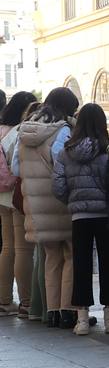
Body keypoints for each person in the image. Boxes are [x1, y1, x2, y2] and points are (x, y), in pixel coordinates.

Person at [53, 102, 109, 336]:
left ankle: (82, 318)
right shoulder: (108, 152)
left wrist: (74, 201)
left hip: (79, 216)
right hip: (104, 214)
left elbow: (58, 186)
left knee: (81, 264)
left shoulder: (66, 152)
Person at [16, 87, 78, 329]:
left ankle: (51, 312)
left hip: (35, 204)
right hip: (59, 202)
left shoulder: (25, 130)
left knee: (51, 257)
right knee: (70, 255)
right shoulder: (61, 130)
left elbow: (17, 167)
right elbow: (62, 161)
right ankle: (67, 311)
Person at [0, 91, 37, 316]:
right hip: (17, 195)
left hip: (1, 196)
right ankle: (27, 302)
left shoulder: (2, 130)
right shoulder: (17, 133)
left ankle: (4, 300)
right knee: (23, 249)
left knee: (7, 247)